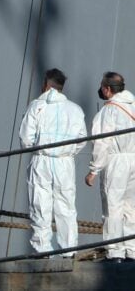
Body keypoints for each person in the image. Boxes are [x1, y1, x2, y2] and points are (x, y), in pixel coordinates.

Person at [19, 68, 87, 256]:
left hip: (42, 160)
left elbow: (25, 139)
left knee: (40, 205)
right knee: (66, 207)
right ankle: (69, 250)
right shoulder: (75, 109)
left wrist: (40, 148)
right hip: (64, 163)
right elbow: (82, 138)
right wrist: (67, 152)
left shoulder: (36, 106)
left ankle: (43, 250)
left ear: (46, 85)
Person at [85, 72, 135, 262]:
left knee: (113, 207)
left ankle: (115, 252)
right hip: (134, 160)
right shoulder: (133, 105)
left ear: (107, 89)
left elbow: (102, 142)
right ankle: (132, 250)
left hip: (117, 161)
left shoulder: (109, 110)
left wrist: (93, 170)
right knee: (130, 207)